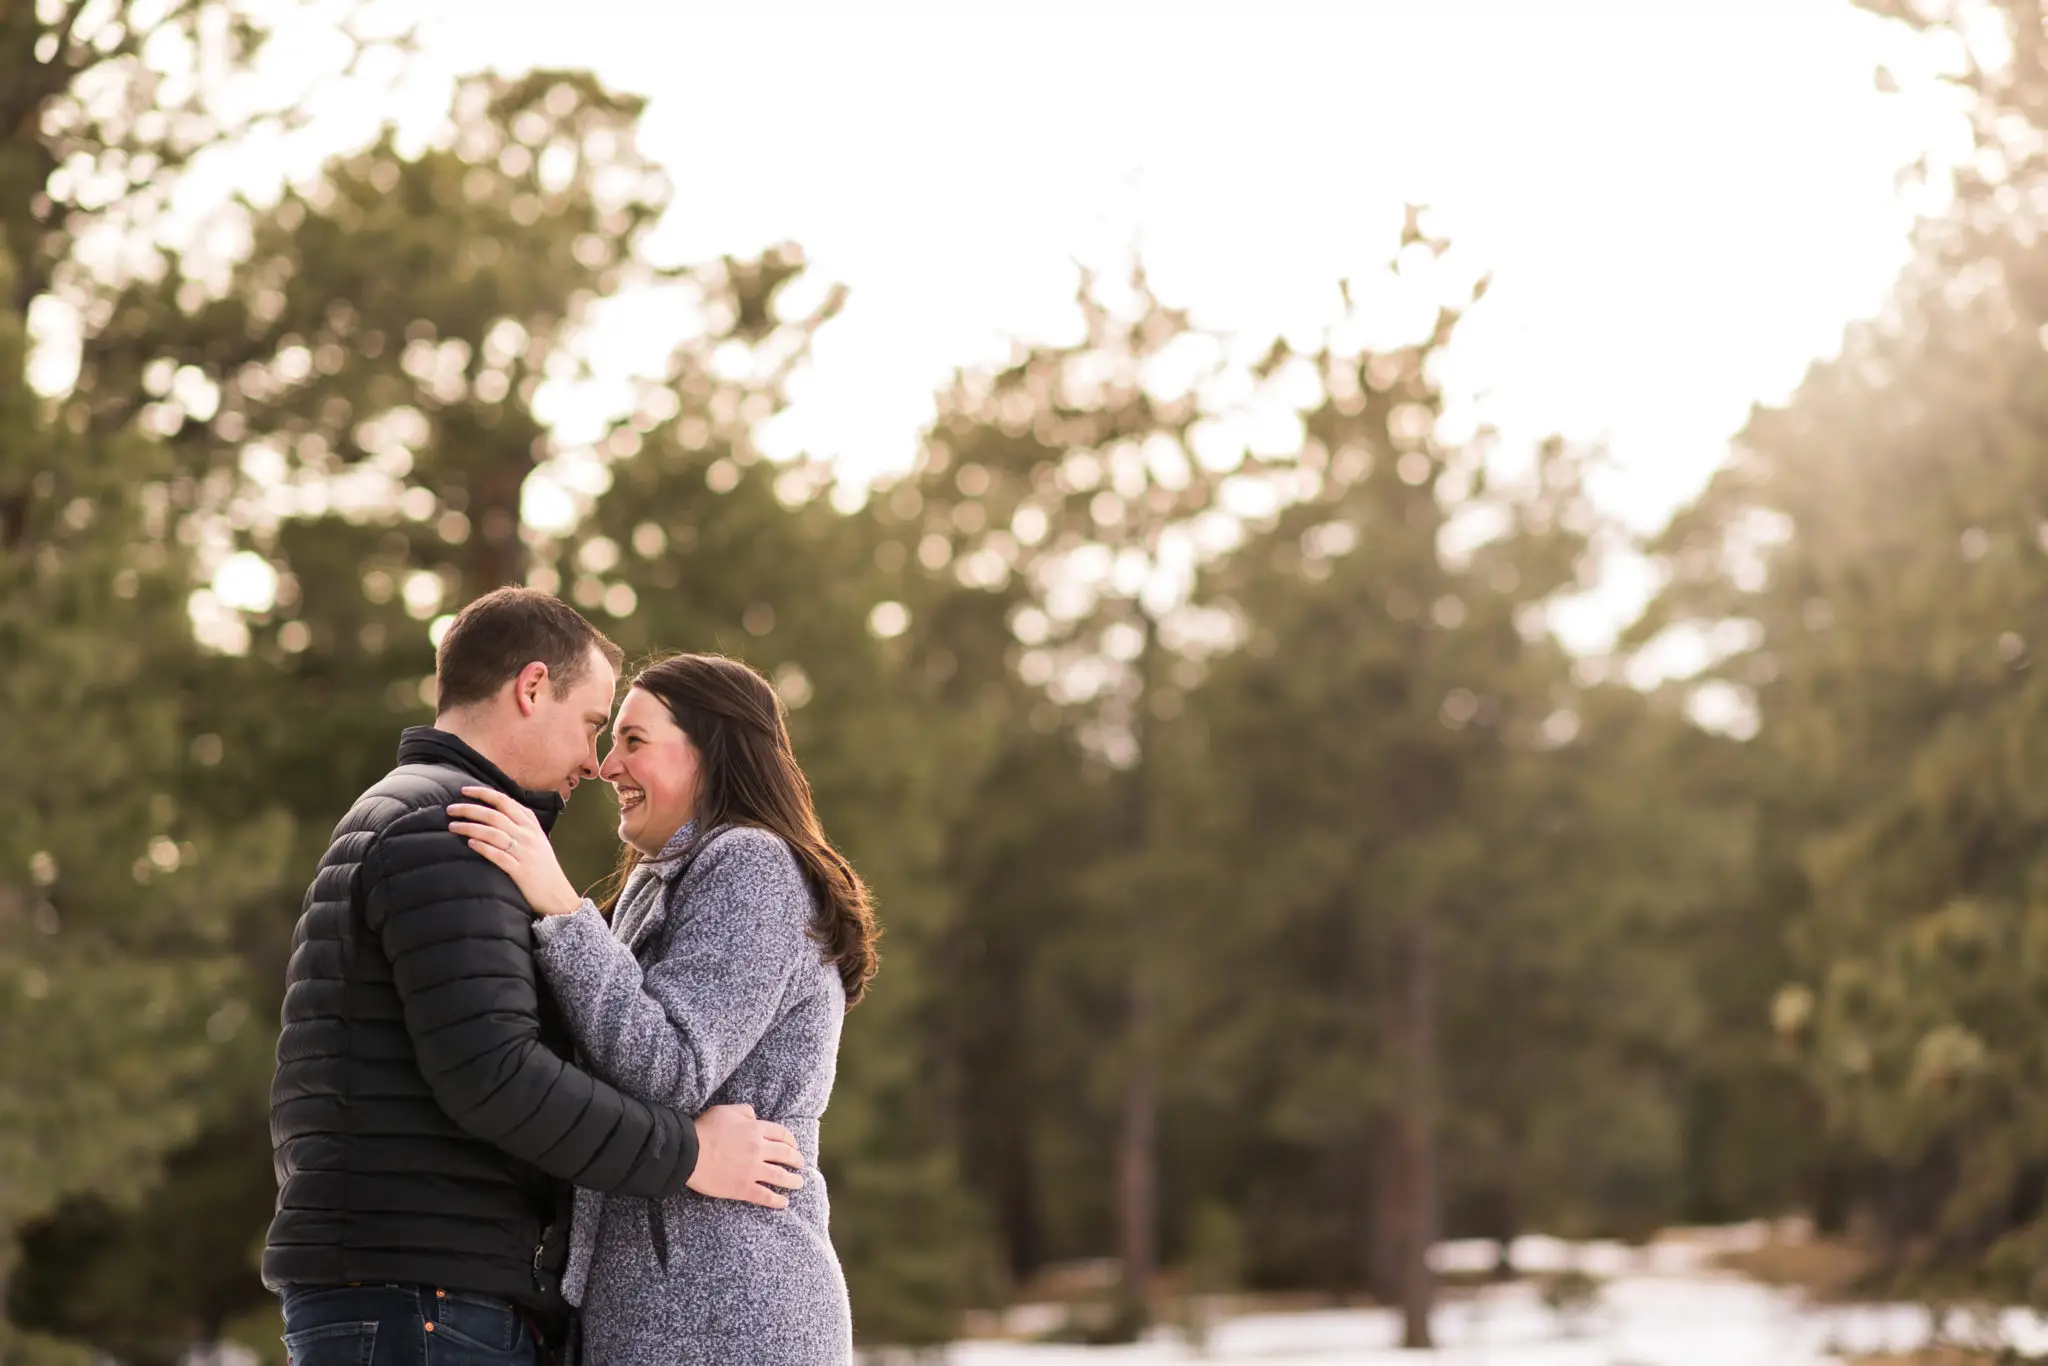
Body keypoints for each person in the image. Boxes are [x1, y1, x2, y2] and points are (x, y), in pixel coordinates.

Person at [264, 589, 805, 1365]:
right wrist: (689, 1153)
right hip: (422, 1292)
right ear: (530, 687)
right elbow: (497, 1076)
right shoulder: (451, 828)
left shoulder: (428, 817)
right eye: (593, 725)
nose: (596, 762)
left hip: (411, 1283)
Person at [447, 652, 878, 1365]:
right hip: (668, 1306)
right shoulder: (662, 879)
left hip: (729, 1315)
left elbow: (671, 1066)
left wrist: (561, 906)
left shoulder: (754, 864)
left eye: (634, 740)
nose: (606, 766)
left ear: (711, 752)